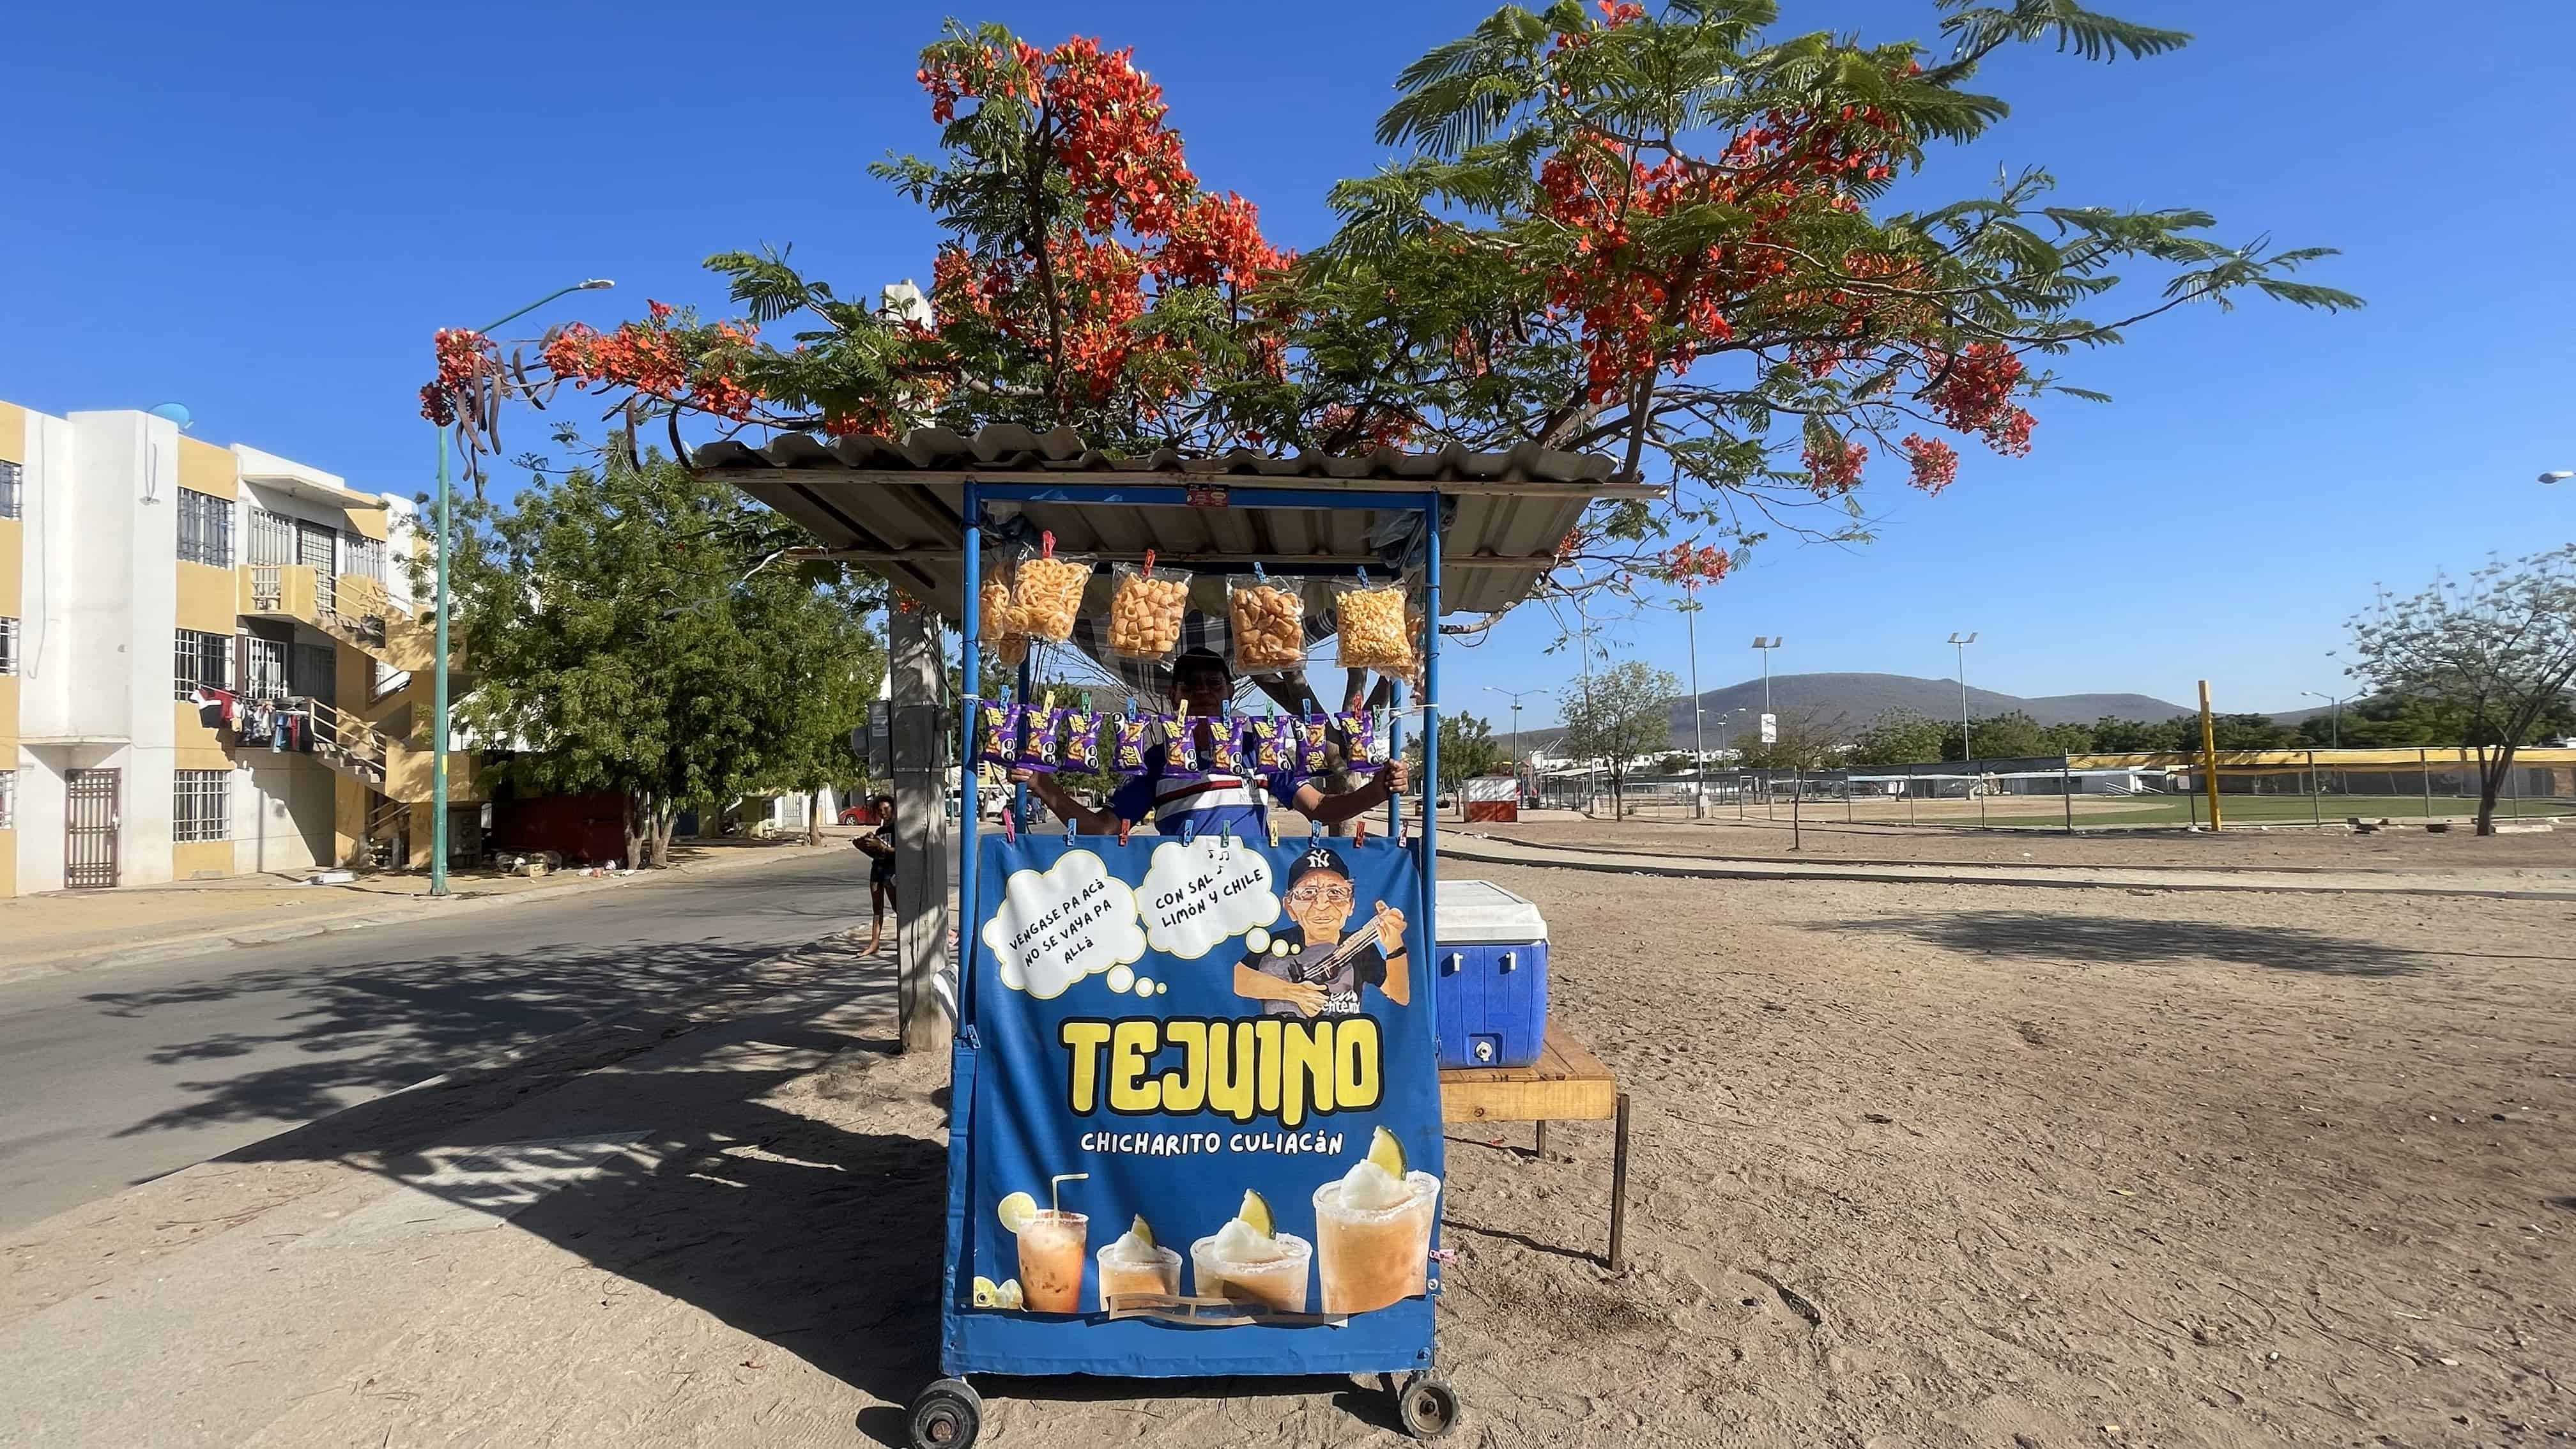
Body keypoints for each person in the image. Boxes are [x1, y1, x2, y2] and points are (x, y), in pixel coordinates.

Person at [1013, 648, 1408, 839]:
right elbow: (1103, 828)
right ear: (1173, 696)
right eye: (1191, 685)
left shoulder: (1259, 748)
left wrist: (1378, 788)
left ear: (1229, 693)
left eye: (1213, 685)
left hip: (1251, 901)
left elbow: (1321, 809)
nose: (1202, 693)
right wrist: (1042, 787)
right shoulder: (1155, 760)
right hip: (1183, 910)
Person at [1234, 845, 1410, 1018]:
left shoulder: (1362, 950)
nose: (1321, 904)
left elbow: (1400, 995)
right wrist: (1293, 992)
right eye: (1308, 892)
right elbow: (1237, 979)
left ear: (1351, 905)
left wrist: (1394, 945)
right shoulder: (1278, 945)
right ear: (1289, 906)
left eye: (1336, 892)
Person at [854, 793, 898, 955]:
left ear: (893, 808)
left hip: (892, 871)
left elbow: (900, 852)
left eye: (886, 809)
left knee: (898, 906)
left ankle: (904, 938)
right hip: (877, 870)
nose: (883, 813)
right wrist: (864, 846)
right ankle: (874, 942)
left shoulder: (898, 829)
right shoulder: (880, 830)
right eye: (880, 811)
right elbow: (876, 854)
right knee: (877, 908)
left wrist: (881, 847)